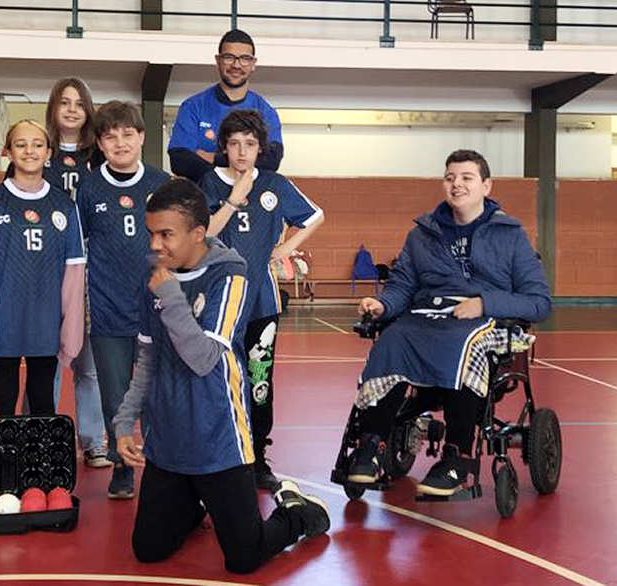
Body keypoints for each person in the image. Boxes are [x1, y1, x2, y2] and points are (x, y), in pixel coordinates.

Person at [112, 178, 329, 573]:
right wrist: (125, 420)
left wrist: (170, 296)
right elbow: (146, 358)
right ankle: (196, 504)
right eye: (151, 233)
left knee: (244, 558)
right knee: (148, 549)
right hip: (168, 440)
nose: (155, 245)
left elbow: (203, 358)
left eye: (166, 234)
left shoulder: (230, 274)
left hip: (219, 439)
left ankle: (299, 514)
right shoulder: (155, 275)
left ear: (198, 233)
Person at [347, 149, 551, 496]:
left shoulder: (510, 235)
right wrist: (382, 304)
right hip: (430, 316)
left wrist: (484, 303)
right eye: (450, 178)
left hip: (487, 320)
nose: (457, 184)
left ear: (486, 186)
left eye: (466, 178)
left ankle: (458, 457)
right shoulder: (423, 234)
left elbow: (539, 302)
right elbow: (403, 286)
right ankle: (372, 444)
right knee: (392, 339)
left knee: (463, 344)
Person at [200, 109, 324, 490]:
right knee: (220, 378)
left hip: (261, 304)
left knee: (259, 380)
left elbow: (315, 216)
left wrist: (285, 248)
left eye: (250, 144)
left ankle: (256, 457)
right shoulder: (209, 183)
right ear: (224, 146)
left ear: (260, 148)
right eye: (235, 143)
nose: (242, 152)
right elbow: (203, 234)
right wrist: (233, 199)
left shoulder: (274, 184)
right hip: (220, 303)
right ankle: (221, 456)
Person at [76, 100, 169, 499]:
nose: (120, 143)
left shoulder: (162, 183)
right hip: (108, 310)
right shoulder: (89, 187)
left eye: (128, 134)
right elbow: (78, 247)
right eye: (110, 136)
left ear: (142, 137)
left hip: (157, 310)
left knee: (159, 393)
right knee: (116, 397)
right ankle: (121, 465)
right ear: (100, 143)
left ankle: (165, 466)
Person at [0, 120, 86, 416]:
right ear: (8, 152)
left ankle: (38, 451)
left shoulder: (64, 206)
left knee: (43, 403)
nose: (29, 151)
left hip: (46, 323)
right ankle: (2, 450)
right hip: (4, 324)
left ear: (49, 153)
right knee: (2, 402)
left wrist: (70, 332)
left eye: (37, 145)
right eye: (21, 144)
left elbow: (73, 274)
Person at [22, 78, 110, 469]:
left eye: (79, 103)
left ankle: (93, 440)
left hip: (91, 270)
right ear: (53, 109)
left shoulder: (100, 156)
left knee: (88, 365)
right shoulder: (39, 152)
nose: (72, 110)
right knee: (47, 358)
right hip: (45, 269)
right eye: (64, 102)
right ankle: (36, 433)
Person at [167, 29, 283, 184]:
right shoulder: (193, 107)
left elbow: (271, 161)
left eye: (245, 59)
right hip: (202, 196)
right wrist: (224, 177)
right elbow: (180, 160)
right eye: (229, 57)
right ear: (218, 60)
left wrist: (215, 158)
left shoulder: (266, 112)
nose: (236, 65)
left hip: (250, 195)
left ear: (253, 64)